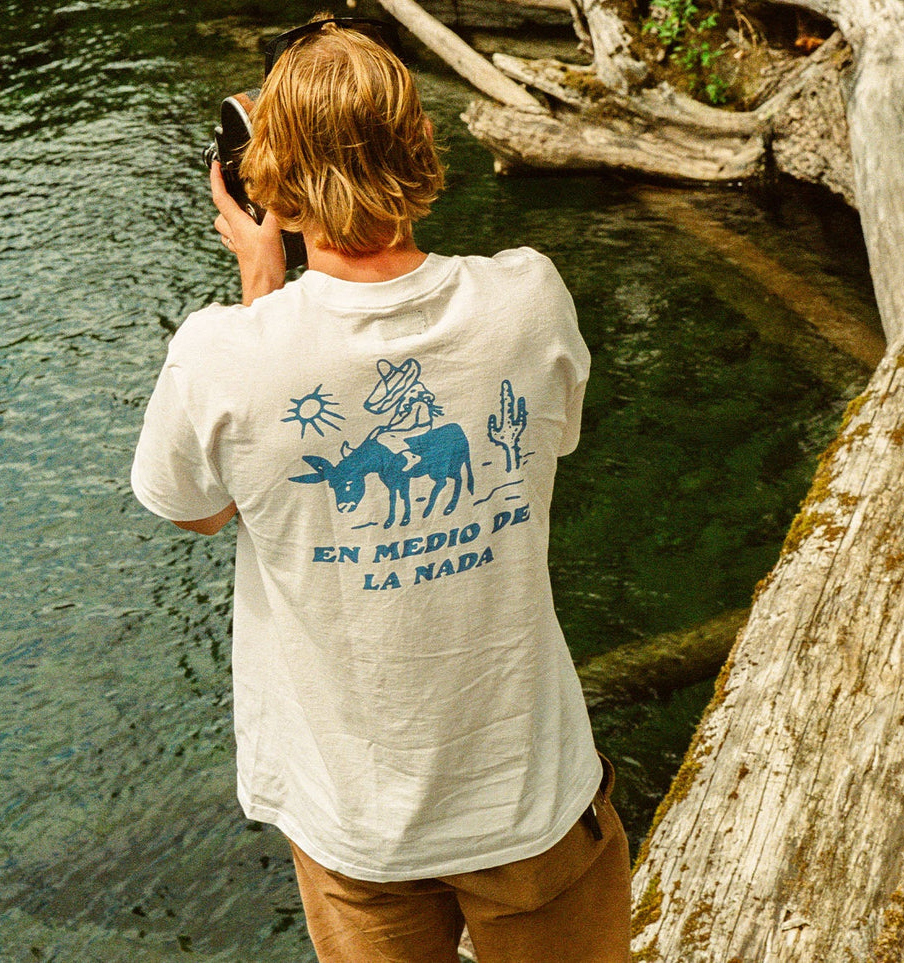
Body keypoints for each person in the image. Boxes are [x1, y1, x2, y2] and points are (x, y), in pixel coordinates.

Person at [130, 16, 629, 962]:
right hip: (527, 800)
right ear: (422, 143)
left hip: (355, 825)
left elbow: (198, 505)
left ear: (264, 177)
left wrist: (259, 282)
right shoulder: (528, 296)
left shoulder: (224, 353)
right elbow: (549, 438)